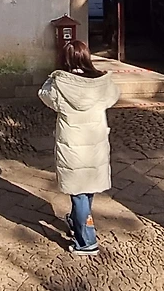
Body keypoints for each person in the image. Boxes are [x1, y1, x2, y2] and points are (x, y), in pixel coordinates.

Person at [38, 40, 121, 254]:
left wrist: (53, 76)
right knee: (87, 189)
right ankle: (77, 220)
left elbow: (44, 95)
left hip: (72, 146)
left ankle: (86, 241)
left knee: (78, 192)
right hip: (95, 144)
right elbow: (114, 96)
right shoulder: (102, 82)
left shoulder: (60, 83)